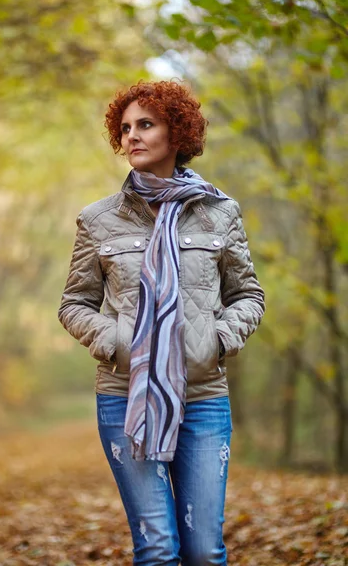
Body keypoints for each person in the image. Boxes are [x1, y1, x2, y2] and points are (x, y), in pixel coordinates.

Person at [58, 80, 265, 566]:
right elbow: (74, 303)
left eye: (146, 125)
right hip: (123, 395)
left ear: (179, 134)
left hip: (203, 397)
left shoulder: (220, 213)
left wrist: (215, 341)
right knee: (156, 551)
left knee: (204, 553)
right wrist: (117, 342)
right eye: (125, 128)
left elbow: (247, 296)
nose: (132, 136)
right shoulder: (99, 220)